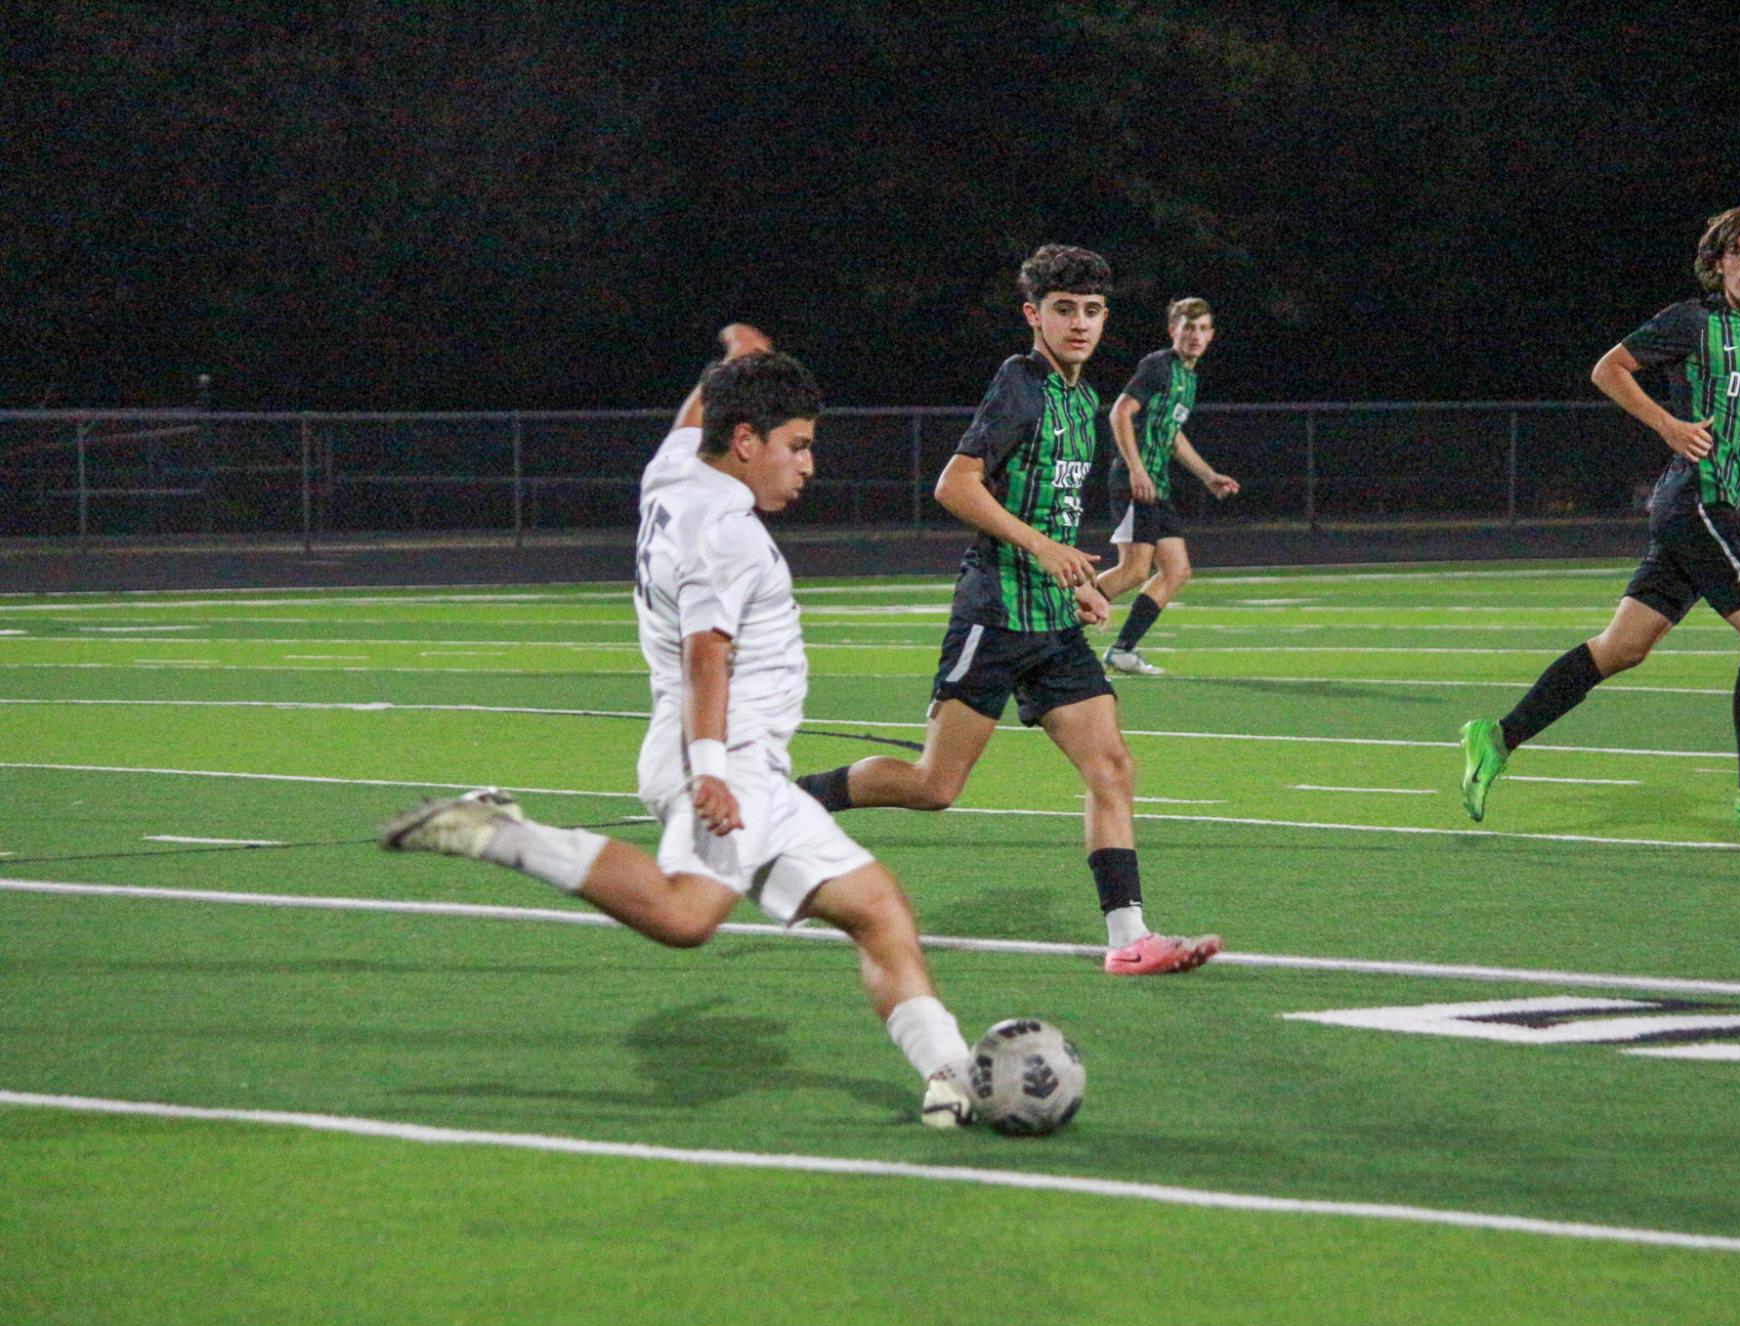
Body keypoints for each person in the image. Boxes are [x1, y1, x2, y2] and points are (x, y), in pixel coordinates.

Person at [381, 345, 980, 1128]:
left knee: (877, 909)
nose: (807, 466)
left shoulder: (674, 469)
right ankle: (498, 834)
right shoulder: (724, 531)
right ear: (744, 442)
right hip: (722, 753)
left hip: (743, 758)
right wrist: (710, 771)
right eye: (795, 446)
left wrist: (732, 361)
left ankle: (950, 1074)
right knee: (684, 916)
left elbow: (692, 416)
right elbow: (708, 652)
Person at [795, 244, 1221, 976]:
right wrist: (1042, 551)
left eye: (1091, 310)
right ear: (1034, 315)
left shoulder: (1083, 400)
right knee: (934, 787)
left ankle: (1127, 939)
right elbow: (954, 485)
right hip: (994, 614)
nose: (1079, 323)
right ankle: (787, 801)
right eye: (1063, 310)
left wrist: (1077, 581)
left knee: (1112, 765)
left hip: (1052, 624)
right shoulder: (1018, 385)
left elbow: (1048, 511)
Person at [1460, 207, 1740, 834]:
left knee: (1623, 648)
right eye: (1736, 253)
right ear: (1717, 264)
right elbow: (1608, 369)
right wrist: (1667, 424)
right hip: (1698, 499)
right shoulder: (1691, 321)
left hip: (1697, 507)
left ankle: (1497, 737)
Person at [1098, 297, 1240, 675]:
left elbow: (1173, 436)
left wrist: (1208, 476)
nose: (1195, 335)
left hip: (1156, 486)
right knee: (1132, 571)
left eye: (1203, 329)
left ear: (1211, 335)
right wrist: (1136, 469)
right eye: (1188, 327)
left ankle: (1122, 651)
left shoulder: (1188, 378)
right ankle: (1048, 629)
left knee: (1176, 572)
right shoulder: (1158, 366)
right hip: (1137, 483)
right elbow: (1120, 412)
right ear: (1172, 330)